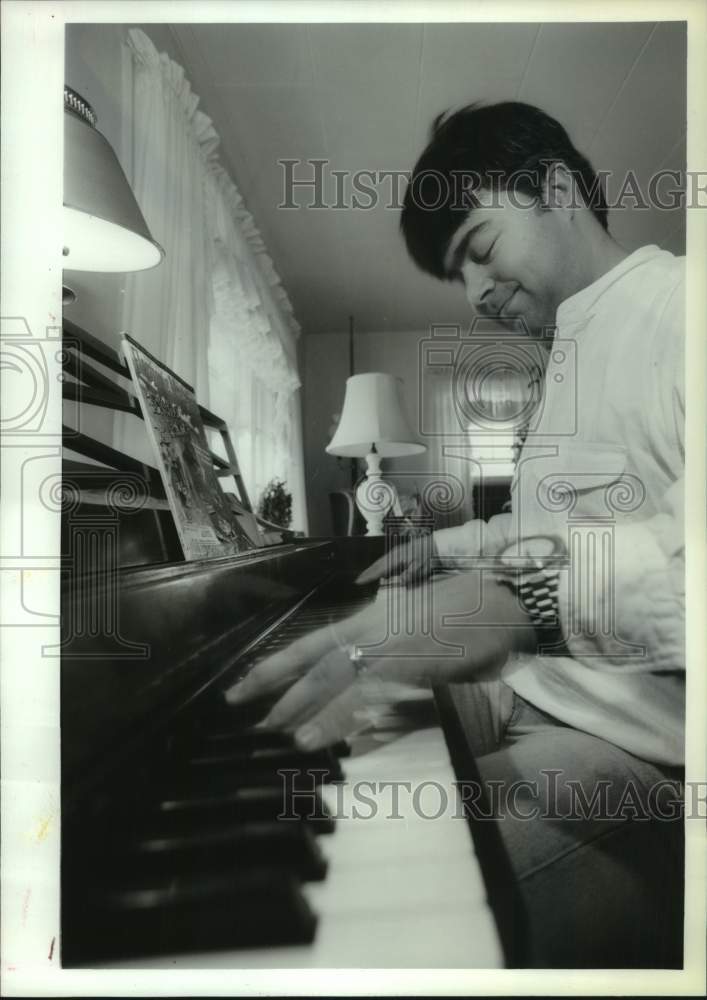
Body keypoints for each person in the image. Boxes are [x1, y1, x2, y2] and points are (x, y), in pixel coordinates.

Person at [228, 102, 685, 967]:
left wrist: (512, 600)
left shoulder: (682, 307)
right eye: (458, 274)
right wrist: (448, 550)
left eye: (478, 248)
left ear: (554, 186)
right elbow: (544, 524)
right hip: (535, 687)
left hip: (639, 748)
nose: (475, 294)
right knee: (294, 757)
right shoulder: (567, 353)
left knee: (368, 921)